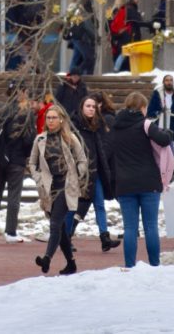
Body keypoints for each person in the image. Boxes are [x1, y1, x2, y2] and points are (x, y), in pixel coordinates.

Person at [111, 92, 172, 267]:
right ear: (142, 108)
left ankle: (129, 266)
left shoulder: (116, 127)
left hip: (124, 183)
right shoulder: (145, 124)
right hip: (148, 182)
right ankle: (154, 264)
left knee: (130, 228)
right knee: (151, 226)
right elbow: (164, 140)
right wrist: (167, 132)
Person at [28, 103, 88, 275]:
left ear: (61, 119)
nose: (51, 121)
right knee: (60, 228)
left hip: (66, 186)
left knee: (55, 223)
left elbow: (82, 160)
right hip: (49, 188)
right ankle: (71, 263)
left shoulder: (71, 138)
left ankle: (46, 258)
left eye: (54, 118)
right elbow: (32, 162)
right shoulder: (40, 140)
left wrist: (77, 173)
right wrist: (37, 177)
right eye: (48, 118)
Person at [0, 81, 38, 243]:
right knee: (14, 196)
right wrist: (26, 155)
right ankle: (10, 232)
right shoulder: (25, 113)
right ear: (22, 92)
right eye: (26, 91)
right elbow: (29, 139)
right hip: (16, 159)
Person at [69, 95, 119, 252]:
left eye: (93, 106)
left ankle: (104, 237)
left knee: (100, 205)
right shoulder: (74, 125)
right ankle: (66, 236)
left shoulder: (98, 125)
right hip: (80, 173)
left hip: (96, 172)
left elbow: (101, 149)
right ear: (82, 108)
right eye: (88, 106)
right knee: (75, 207)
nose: (91, 109)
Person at [5, 0, 45, 71]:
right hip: (35, 28)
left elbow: (12, 11)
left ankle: (27, 68)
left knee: (24, 52)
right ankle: (32, 68)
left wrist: (14, 25)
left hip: (22, 28)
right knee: (31, 51)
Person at [65, 0, 97, 75]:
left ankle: (73, 73)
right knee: (88, 58)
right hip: (82, 37)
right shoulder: (80, 10)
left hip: (76, 36)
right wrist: (94, 36)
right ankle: (75, 73)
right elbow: (87, 25)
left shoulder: (73, 10)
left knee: (77, 57)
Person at [108, 0, 130, 71]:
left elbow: (108, 24)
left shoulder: (112, 10)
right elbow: (119, 23)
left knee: (119, 53)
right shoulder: (121, 10)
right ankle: (116, 69)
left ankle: (117, 68)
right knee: (123, 53)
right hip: (121, 35)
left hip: (114, 36)